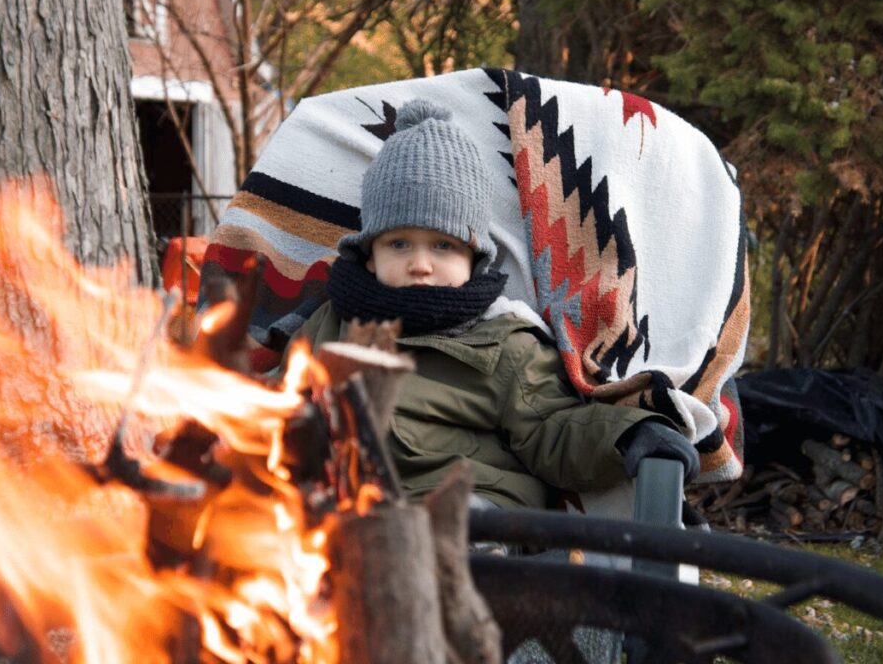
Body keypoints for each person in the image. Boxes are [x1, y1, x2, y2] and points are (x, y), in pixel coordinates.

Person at [289, 98, 699, 510]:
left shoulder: (503, 341)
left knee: (462, 518)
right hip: (344, 507)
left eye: (443, 246)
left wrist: (629, 434)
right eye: (399, 244)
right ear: (370, 253)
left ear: (474, 259)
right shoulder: (331, 321)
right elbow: (282, 398)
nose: (420, 265)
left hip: (468, 500)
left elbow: (551, 427)